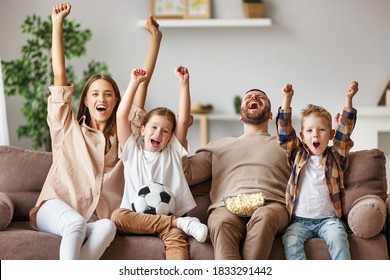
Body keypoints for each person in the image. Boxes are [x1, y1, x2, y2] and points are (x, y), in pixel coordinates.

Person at [28, 2, 162, 259]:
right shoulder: (66, 127)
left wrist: (156, 39)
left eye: (109, 94)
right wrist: (57, 25)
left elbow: (143, 82)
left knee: (108, 226)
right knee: (75, 223)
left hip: (94, 217)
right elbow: (59, 76)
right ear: (87, 101)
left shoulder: (123, 137)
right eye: (95, 94)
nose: (102, 98)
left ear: (116, 102)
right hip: (54, 208)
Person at [110, 66, 208, 260]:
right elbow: (121, 117)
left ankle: (174, 225)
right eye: (154, 127)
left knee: (177, 244)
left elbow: (182, 121)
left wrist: (184, 84)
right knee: (116, 217)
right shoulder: (131, 153)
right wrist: (134, 83)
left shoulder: (172, 152)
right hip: (138, 219)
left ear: (170, 137)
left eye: (165, 131)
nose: (158, 133)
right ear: (143, 130)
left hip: (169, 216)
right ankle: (179, 223)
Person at [182, 89, 292, 260]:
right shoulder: (219, 146)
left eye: (260, 97)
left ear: (271, 114)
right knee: (220, 223)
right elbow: (187, 173)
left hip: (271, 206)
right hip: (225, 208)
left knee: (265, 217)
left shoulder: (286, 145)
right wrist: (182, 130)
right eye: (248, 97)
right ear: (240, 115)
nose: (254, 97)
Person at [276, 81, 359, 260]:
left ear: (330, 135)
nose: (315, 135)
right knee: (290, 241)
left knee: (339, 239)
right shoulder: (297, 154)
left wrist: (348, 99)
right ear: (302, 136)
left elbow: (344, 133)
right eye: (310, 130)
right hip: (299, 221)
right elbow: (284, 133)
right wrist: (287, 99)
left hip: (329, 221)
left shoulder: (335, 157)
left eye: (322, 130)